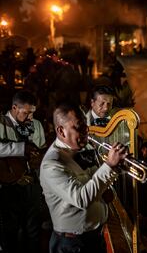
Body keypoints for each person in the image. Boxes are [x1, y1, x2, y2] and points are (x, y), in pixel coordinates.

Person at [39, 103, 127, 253]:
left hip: (95, 237)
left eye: (86, 125)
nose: (86, 130)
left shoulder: (84, 148)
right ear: (61, 131)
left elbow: (98, 185)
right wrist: (109, 166)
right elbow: (81, 199)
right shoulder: (52, 164)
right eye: (79, 127)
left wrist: (116, 169)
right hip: (72, 243)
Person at [0, 90, 46, 253]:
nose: (30, 118)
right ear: (14, 107)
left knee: (33, 232)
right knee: (10, 232)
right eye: (26, 113)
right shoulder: (1, 123)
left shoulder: (37, 125)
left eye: (32, 113)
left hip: (32, 185)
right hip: (7, 187)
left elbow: (40, 152)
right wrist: (22, 148)